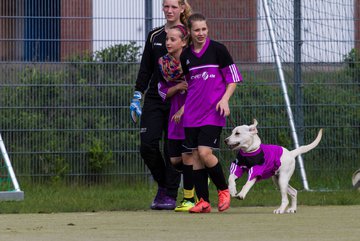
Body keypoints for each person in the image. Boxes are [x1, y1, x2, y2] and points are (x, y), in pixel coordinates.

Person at [129, 0, 192, 210]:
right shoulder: (155, 36)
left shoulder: (190, 35)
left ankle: (170, 195)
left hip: (179, 98)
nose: (169, 10)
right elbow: (146, 66)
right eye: (166, 6)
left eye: (174, 6)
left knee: (172, 148)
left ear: (182, 8)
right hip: (156, 97)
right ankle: (165, 185)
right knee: (147, 144)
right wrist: (138, 93)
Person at [180, 13, 243, 213]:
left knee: (205, 153)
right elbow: (191, 84)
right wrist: (183, 108)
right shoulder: (185, 56)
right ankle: (203, 202)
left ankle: (223, 190)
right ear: (189, 32)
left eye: (204, 29)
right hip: (191, 114)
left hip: (212, 113)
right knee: (196, 156)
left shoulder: (218, 50)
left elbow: (232, 79)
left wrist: (224, 99)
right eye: (197, 30)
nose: (201, 33)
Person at [157, 25, 196, 212]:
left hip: (192, 111)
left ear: (183, 42)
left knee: (189, 154)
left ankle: (192, 194)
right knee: (174, 159)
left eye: (173, 39)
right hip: (174, 113)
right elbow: (164, 92)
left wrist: (184, 108)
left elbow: (198, 89)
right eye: (167, 39)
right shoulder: (163, 63)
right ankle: (197, 172)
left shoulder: (193, 61)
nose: (168, 42)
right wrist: (179, 86)